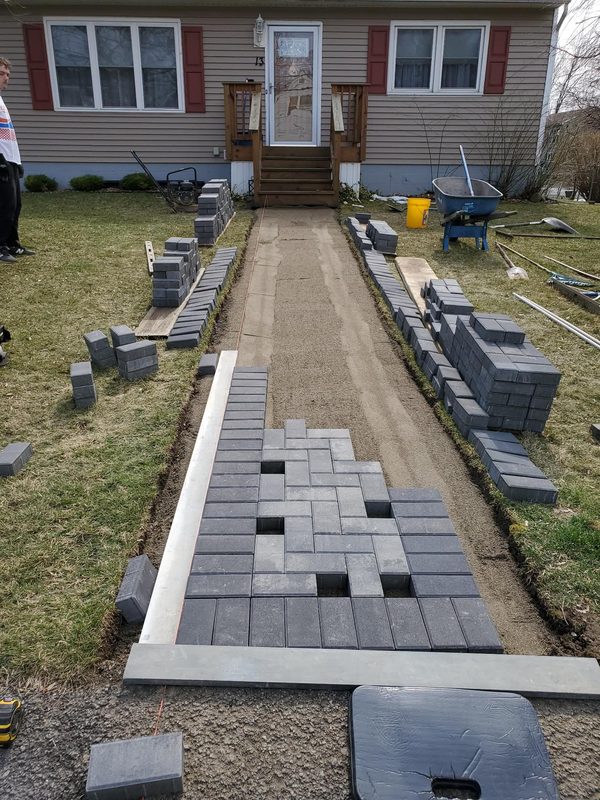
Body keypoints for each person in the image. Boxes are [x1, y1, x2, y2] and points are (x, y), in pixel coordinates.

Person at [0, 57, 34, 263]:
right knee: (4, 205)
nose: (6, 78)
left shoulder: (1, 101)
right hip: (1, 161)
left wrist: (16, 162)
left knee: (14, 205)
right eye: (2, 74)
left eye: (8, 74)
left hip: (10, 160)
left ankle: (12, 243)